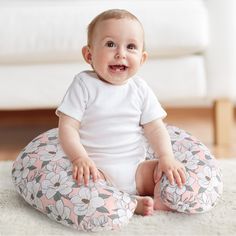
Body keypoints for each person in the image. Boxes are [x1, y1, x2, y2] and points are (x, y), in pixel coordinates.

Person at [56, 9, 186, 216]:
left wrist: (166, 157)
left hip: (136, 170)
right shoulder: (83, 84)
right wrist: (79, 158)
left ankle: (156, 197)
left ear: (142, 59)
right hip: (97, 170)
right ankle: (130, 203)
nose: (121, 53)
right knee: (79, 190)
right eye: (110, 44)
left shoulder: (140, 89)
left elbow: (155, 128)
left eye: (131, 47)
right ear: (88, 54)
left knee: (168, 173)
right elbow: (68, 126)